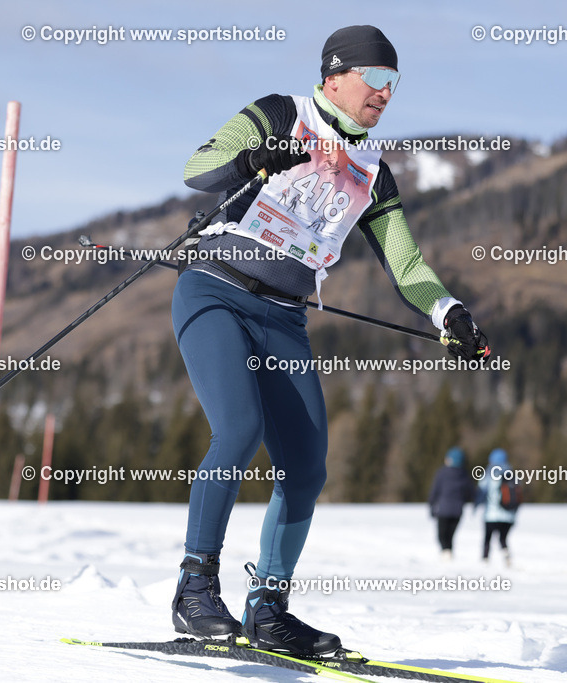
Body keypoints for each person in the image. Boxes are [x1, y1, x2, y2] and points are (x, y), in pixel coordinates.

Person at [170, 25, 490, 656]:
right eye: (375, 78)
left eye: (394, 82)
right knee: (238, 430)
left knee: (307, 466)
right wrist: (252, 161)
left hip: (283, 317)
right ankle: (194, 587)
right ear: (335, 74)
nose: (385, 93)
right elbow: (196, 169)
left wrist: (449, 311)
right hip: (213, 289)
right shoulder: (279, 114)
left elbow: (408, 268)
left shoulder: (374, 172)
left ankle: (269, 607)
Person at [428, 447, 474, 560]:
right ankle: (448, 553)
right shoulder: (464, 475)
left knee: (442, 535)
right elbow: (471, 493)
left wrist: (431, 505)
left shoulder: (442, 473)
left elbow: (435, 491)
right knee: (450, 536)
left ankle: (445, 553)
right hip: (458, 510)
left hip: (443, 509)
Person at [475, 448, 517, 565]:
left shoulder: (489, 474)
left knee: (487, 538)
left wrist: (476, 506)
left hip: (491, 514)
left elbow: (482, 492)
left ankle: (485, 559)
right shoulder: (512, 474)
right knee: (503, 539)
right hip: (509, 515)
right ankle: (506, 553)